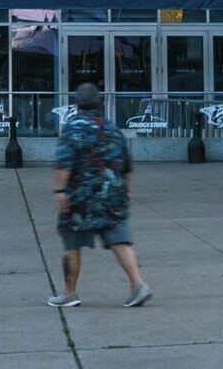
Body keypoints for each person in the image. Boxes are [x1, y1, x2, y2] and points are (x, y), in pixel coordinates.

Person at [46, 82, 148, 310]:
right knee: (119, 239)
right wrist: (126, 190)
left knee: (71, 241)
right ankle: (138, 285)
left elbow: (64, 163)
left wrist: (60, 190)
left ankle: (69, 293)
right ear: (99, 104)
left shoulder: (73, 128)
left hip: (80, 196)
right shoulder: (112, 128)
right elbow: (127, 165)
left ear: (77, 105)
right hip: (112, 193)